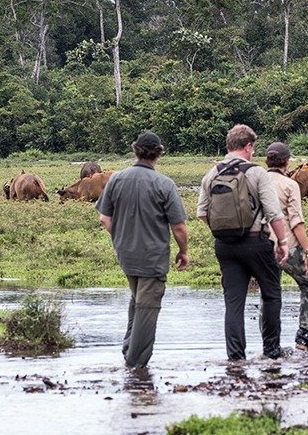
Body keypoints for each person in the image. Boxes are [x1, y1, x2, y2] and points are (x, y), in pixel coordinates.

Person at [96, 131, 190, 368]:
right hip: (153, 257)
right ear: (158, 153)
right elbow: (178, 226)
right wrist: (183, 251)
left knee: (137, 298)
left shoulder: (116, 179)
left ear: (135, 150)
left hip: (126, 254)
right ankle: (135, 365)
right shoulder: (164, 184)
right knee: (148, 308)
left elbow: (104, 219)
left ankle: (129, 346)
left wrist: (121, 237)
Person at [197, 124, 289, 361]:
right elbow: (274, 213)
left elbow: (202, 213)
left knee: (233, 302)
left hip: (225, 247)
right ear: (248, 146)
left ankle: (236, 357)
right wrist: (282, 241)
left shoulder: (211, 173)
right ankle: (271, 351)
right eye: (253, 148)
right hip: (256, 242)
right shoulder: (258, 173)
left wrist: (223, 232)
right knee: (271, 294)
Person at [264, 141, 308, 351]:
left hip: (263, 245)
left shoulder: (258, 181)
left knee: (268, 292)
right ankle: (304, 336)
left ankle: (269, 342)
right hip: (288, 245)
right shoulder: (290, 184)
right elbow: (296, 222)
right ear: (286, 161)